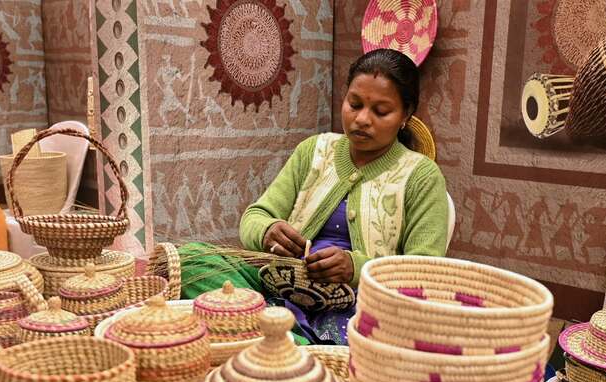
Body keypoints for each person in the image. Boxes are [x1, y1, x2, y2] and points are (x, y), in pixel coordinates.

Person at [179, 48, 449, 345]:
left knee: (390, 329)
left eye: (380, 111)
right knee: (191, 259)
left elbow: (423, 272)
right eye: (354, 103)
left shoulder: (421, 176)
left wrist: (355, 267)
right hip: (281, 290)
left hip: (361, 307)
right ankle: (294, 343)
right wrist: (268, 232)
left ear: (406, 115)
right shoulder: (314, 151)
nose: (361, 119)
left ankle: (272, 337)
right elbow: (254, 217)